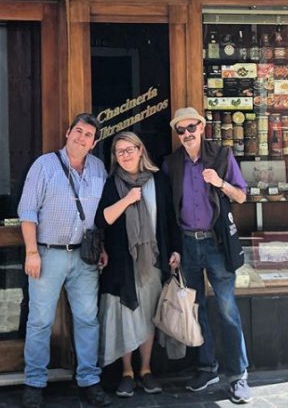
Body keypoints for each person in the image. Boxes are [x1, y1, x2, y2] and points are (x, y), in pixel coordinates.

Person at [18, 113, 111, 408]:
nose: (81, 138)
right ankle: (34, 383)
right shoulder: (44, 166)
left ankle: (89, 380)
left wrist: (101, 246)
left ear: (93, 143)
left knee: (87, 319)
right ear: (68, 132)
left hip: (84, 257)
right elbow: (27, 212)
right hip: (48, 254)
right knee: (40, 321)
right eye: (78, 131)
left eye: (88, 135)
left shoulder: (98, 168)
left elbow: (100, 214)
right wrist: (31, 252)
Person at [164, 107, 252, 405]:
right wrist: (174, 248)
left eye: (192, 127)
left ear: (202, 127)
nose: (187, 134)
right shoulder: (172, 164)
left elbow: (241, 195)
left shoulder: (221, 156)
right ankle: (207, 368)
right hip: (188, 244)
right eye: (181, 130)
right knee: (196, 308)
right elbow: (170, 211)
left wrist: (220, 183)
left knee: (227, 309)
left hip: (216, 244)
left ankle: (238, 375)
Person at [95, 131, 182, 398]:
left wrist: (175, 250)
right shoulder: (111, 184)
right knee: (125, 317)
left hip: (152, 261)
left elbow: (170, 219)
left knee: (147, 316)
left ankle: (145, 369)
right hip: (121, 263)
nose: (125, 155)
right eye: (119, 151)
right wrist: (128, 199)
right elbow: (102, 219)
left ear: (140, 150)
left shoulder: (158, 181)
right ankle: (126, 372)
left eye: (129, 149)